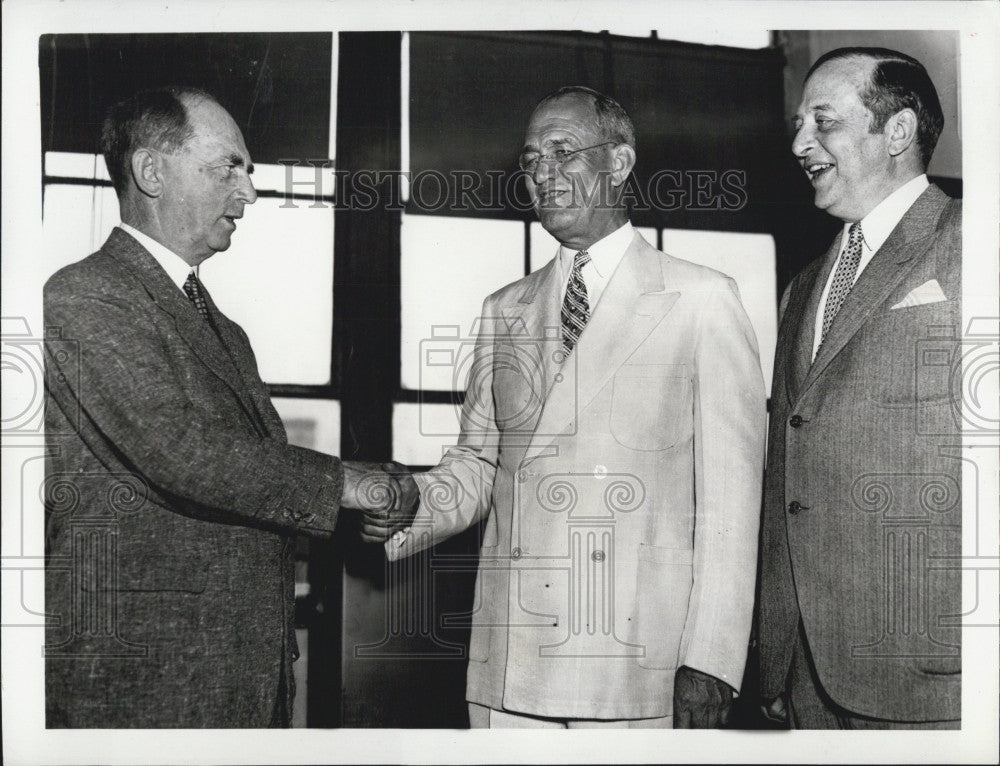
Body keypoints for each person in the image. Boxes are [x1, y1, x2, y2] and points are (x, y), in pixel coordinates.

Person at [383, 86, 766, 728]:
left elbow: (732, 502)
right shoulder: (503, 309)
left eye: (563, 152)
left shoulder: (703, 298)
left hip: (638, 666)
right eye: (531, 159)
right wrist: (403, 503)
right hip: (510, 664)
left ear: (618, 162)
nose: (543, 175)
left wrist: (713, 660)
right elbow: (478, 467)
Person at [43, 86, 416, 728]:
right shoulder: (84, 296)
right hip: (144, 684)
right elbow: (179, 451)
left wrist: (355, 509)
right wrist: (349, 486)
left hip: (235, 676)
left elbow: (249, 477)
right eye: (228, 169)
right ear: (150, 171)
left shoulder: (224, 329)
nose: (247, 194)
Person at [757, 48, 961, 729]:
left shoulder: (970, 245)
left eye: (823, 122)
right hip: (808, 678)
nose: (799, 144)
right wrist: (775, 655)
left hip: (936, 678)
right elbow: (788, 475)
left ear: (897, 133)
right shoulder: (802, 287)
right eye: (796, 124)